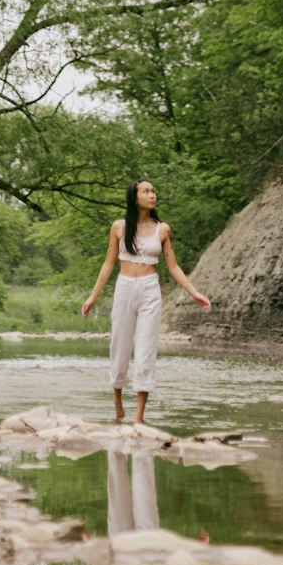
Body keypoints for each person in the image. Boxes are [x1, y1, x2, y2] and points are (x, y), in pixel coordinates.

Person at [81, 178, 211, 424]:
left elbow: (172, 266)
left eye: (153, 191)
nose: (152, 195)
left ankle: (139, 417)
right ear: (135, 197)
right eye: (146, 191)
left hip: (150, 290)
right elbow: (108, 263)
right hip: (125, 288)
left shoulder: (162, 229)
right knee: (119, 346)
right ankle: (119, 406)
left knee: (146, 350)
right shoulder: (119, 227)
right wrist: (92, 297)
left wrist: (194, 292)